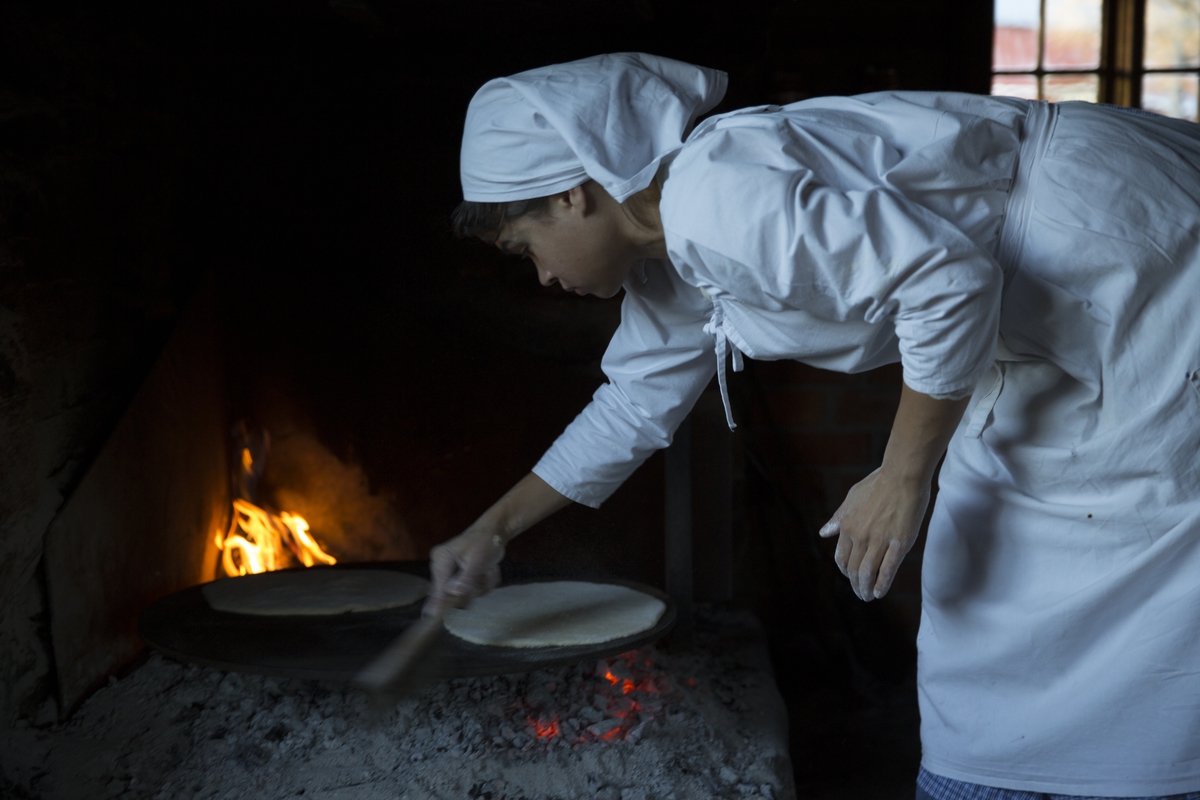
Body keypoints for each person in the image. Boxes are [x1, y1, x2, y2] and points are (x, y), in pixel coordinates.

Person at [424, 52, 1200, 799]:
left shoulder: (716, 197)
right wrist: (492, 530)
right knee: (991, 589)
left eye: (526, 250)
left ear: (571, 196)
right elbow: (630, 406)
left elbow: (949, 284)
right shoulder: (671, 257)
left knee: (1138, 557)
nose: (545, 278)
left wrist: (901, 476)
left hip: (1132, 260)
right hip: (1048, 314)